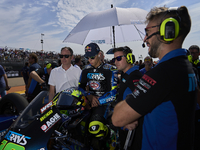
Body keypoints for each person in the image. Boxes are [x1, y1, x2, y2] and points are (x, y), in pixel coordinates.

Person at [112, 6, 196, 150]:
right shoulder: (185, 66)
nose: (145, 39)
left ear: (167, 31)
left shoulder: (162, 74)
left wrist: (129, 113)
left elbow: (117, 118)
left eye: (147, 32)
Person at [78, 43, 118, 149]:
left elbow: (114, 93)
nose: (89, 60)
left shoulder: (110, 69)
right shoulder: (85, 69)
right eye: (87, 57)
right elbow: (80, 87)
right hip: (89, 102)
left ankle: (112, 135)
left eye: (92, 57)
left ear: (99, 54)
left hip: (104, 103)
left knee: (94, 128)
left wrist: (98, 101)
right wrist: (89, 96)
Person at [112, 46, 142, 149]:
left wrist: (134, 119)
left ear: (129, 58)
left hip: (130, 128)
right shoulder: (125, 75)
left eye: (119, 58)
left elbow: (141, 101)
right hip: (123, 124)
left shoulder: (135, 76)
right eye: (114, 59)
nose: (115, 61)